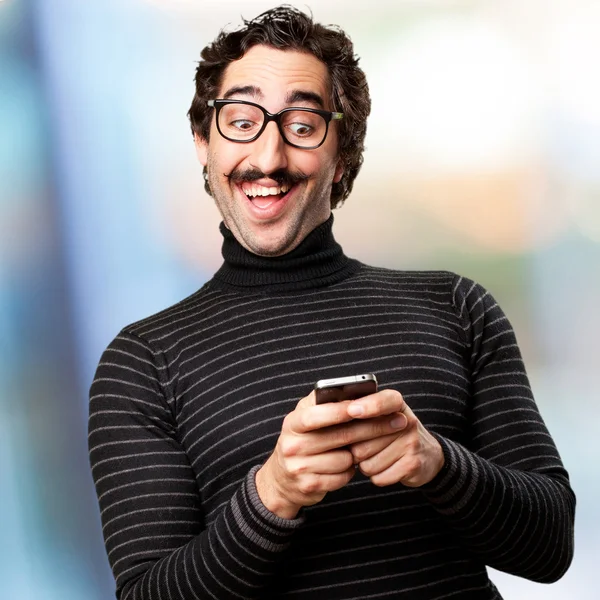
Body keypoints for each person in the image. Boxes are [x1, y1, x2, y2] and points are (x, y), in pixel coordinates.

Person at [88, 6, 575, 599]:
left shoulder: (457, 307)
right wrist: (272, 496)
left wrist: (438, 464)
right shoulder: (141, 363)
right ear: (202, 144)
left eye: (301, 125)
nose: (268, 158)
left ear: (343, 153)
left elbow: (552, 547)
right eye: (241, 120)